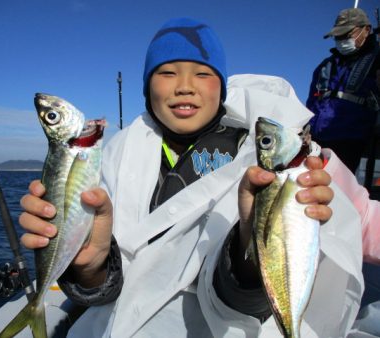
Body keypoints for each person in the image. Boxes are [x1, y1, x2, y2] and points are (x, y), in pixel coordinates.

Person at [20, 18, 364, 337]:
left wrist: (252, 244)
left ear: (222, 87)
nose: (185, 86)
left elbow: (246, 303)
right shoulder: (118, 153)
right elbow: (104, 289)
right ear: (146, 87)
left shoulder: (258, 157)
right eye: (167, 72)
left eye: (203, 74)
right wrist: (89, 267)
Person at [306, 8, 380, 174]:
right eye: (338, 36)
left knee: (338, 192)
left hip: (353, 142)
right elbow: (311, 103)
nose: (341, 40)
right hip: (316, 142)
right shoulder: (325, 66)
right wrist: (306, 130)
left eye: (347, 34)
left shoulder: (376, 60)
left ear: (366, 30)